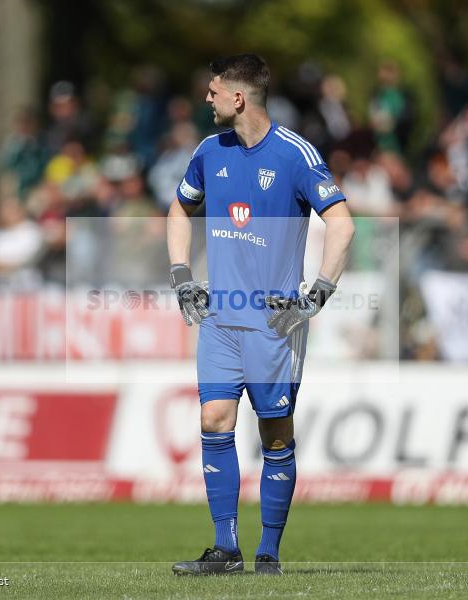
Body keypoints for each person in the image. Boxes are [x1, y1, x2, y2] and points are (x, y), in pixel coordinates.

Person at [166, 54, 354, 576]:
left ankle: (269, 550)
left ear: (238, 97)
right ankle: (225, 548)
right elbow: (180, 208)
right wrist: (182, 276)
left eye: (213, 91)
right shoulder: (209, 152)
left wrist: (314, 297)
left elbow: (342, 224)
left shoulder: (295, 154)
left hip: (274, 324)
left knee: (274, 433)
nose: (207, 98)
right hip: (221, 319)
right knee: (213, 419)